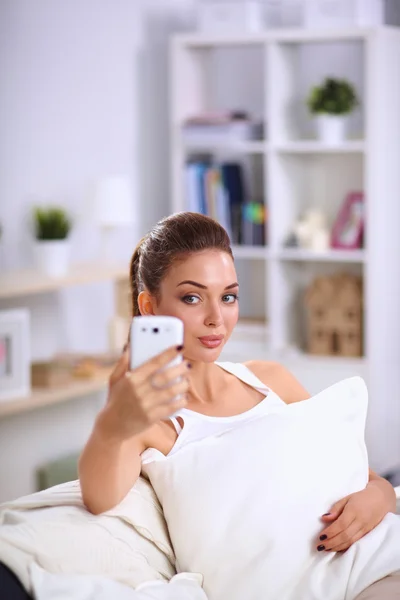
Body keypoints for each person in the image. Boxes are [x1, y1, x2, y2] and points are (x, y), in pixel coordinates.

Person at [1, 212, 397, 599]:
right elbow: (98, 495)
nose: (216, 319)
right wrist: (112, 422)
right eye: (192, 297)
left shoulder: (272, 379)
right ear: (150, 307)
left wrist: (378, 499)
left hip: (379, 558)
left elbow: (367, 477)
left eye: (228, 297)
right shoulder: (151, 422)